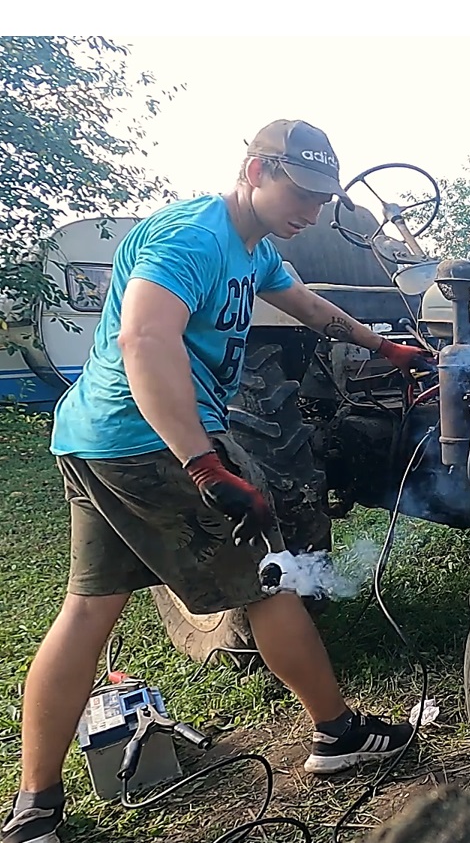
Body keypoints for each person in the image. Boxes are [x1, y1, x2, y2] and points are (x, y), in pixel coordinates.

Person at [3, 120, 436, 843]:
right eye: (300, 192)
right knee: (263, 583)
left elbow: (306, 305)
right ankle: (337, 732)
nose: (312, 209)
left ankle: (35, 808)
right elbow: (143, 339)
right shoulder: (192, 236)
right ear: (257, 169)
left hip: (91, 437)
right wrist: (203, 463)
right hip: (145, 442)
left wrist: (384, 346)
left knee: (86, 611)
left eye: (323, 198)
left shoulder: (253, 246)